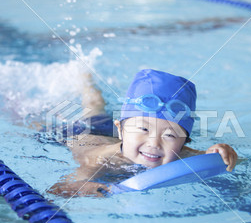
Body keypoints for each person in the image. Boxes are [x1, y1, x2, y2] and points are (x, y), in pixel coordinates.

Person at [49, 69, 238, 197]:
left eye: (170, 135)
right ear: (120, 129)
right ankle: (85, 79)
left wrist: (220, 152)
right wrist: (96, 188)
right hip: (79, 134)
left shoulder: (181, 154)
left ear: (183, 144)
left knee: (96, 109)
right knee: (93, 108)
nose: (154, 143)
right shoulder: (101, 160)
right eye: (145, 129)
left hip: (129, 137)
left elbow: (220, 161)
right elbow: (59, 189)